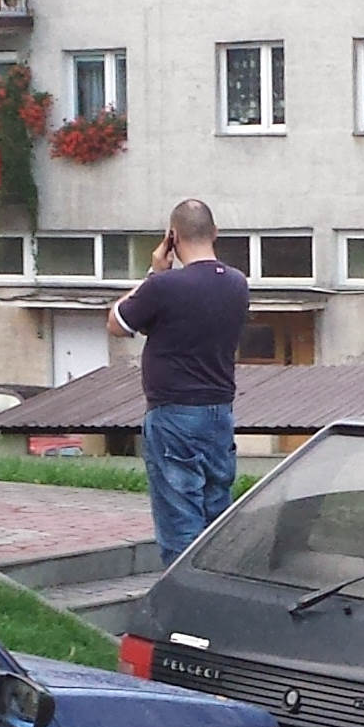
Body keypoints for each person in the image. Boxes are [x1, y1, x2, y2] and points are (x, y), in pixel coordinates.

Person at [113, 198, 250, 561]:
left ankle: (182, 591)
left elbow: (118, 322)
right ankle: (216, 586)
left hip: (174, 414)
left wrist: (154, 272)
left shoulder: (164, 286)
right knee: (215, 512)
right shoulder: (237, 284)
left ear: (172, 237)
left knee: (180, 519)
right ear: (215, 233)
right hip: (219, 412)